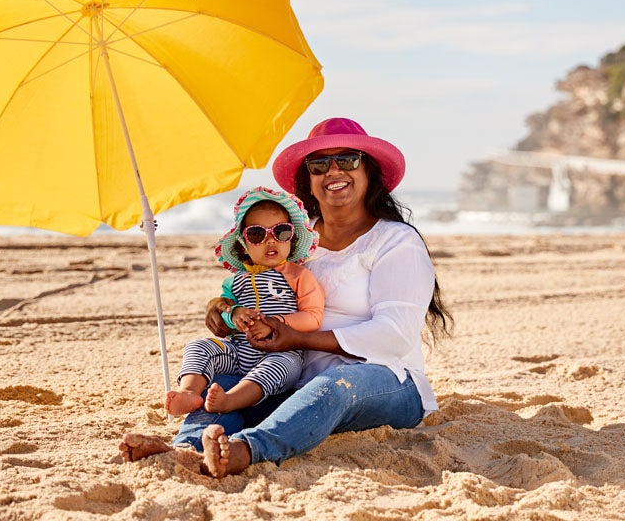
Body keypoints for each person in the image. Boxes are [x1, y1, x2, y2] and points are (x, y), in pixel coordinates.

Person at [120, 117, 453, 478]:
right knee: (226, 388)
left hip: (384, 382)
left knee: (334, 386)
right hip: (294, 380)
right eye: (319, 165)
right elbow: (254, 288)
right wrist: (223, 310)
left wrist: (300, 337)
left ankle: (247, 450)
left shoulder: (395, 241)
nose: (334, 171)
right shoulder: (290, 241)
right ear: (307, 182)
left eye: (348, 160)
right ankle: (184, 449)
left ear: (369, 170)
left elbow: (395, 335)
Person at [165, 187, 324, 416]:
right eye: (258, 235)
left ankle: (231, 400)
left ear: (292, 237)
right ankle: (189, 391)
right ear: (243, 243)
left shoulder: (298, 276)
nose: (271, 241)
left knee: (279, 367)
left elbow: (313, 317)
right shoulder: (234, 282)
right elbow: (222, 317)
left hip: (280, 351)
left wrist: (274, 323)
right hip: (238, 351)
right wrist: (234, 313)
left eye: (280, 232)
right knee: (199, 346)